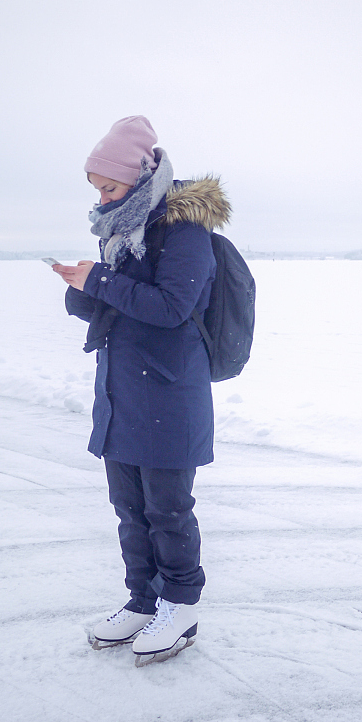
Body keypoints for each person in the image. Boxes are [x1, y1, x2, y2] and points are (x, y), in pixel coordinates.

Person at [54, 115, 229, 666]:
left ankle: (180, 605)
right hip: (123, 394)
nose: (102, 198)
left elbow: (172, 307)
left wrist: (102, 281)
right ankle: (142, 600)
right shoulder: (118, 233)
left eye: (109, 187)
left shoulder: (183, 231)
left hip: (170, 395)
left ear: (138, 177)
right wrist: (82, 288)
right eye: (97, 190)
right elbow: (117, 305)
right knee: (129, 508)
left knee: (168, 510)